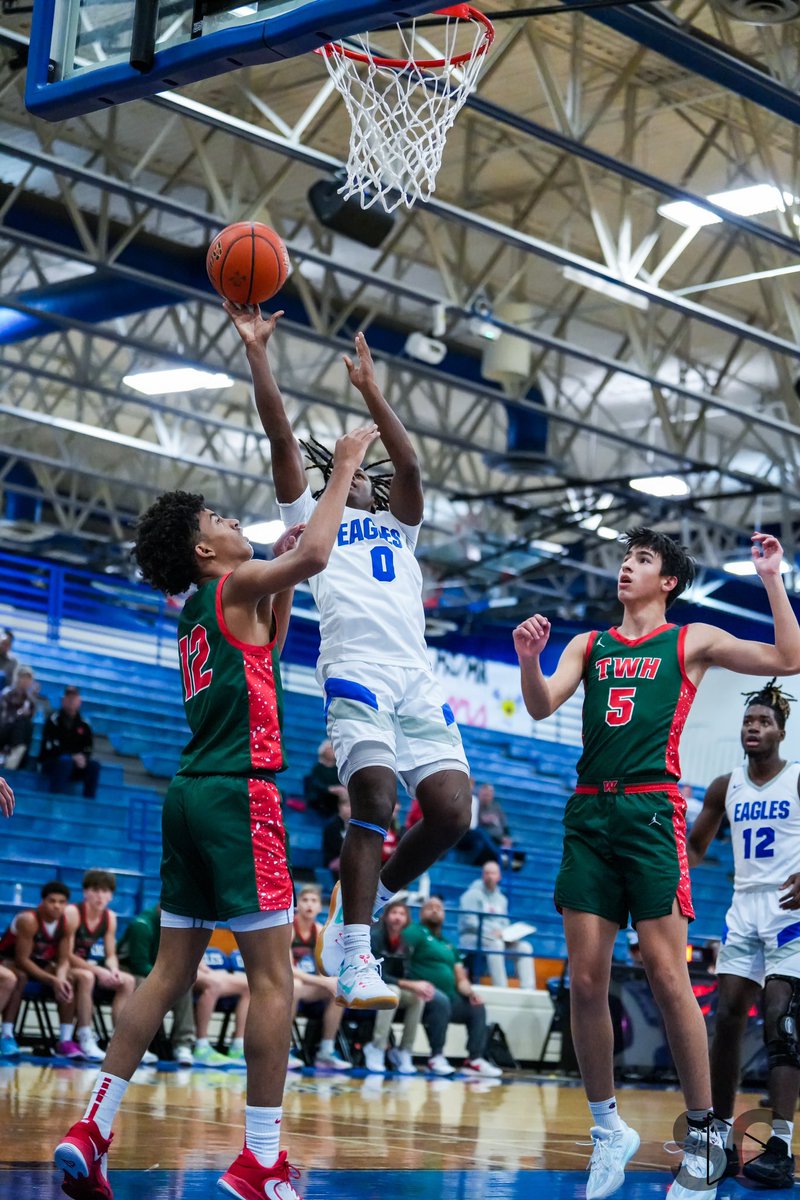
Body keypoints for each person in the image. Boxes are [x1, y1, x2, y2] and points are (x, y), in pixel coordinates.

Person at [52, 421, 379, 1200]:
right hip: (241, 792)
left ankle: (92, 1127)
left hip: (191, 795)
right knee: (276, 979)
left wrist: (290, 567)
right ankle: (260, 1159)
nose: (234, 523)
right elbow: (315, 554)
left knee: (168, 972)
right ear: (206, 551)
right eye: (220, 522)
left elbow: (275, 629)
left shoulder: (203, 608)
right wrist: (346, 473)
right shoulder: (231, 586)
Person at [513, 527, 800, 1200]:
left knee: (666, 970)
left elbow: (789, 655)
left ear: (667, 580)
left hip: (650, 809)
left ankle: (705, 1133)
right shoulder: (589, 644)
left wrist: (770, 578)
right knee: (584, 980)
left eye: (640, 560)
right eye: (624, 558)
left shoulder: (690, 639)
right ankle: (608, 1128)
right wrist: (529, 658)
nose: (625, 567)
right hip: (588, 811)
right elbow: (538, 702)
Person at [227, 302, 472, 1012]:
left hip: (415, 678)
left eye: (362, 471)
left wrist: (370, 391)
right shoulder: (312, 519)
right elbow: (279, 436)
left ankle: (363, 898)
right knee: (374, 796)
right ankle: (356, 950)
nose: (357, 476)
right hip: (355, 668)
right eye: (345, 471)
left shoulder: (401, 524)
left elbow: (412, 462)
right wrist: (258, 355)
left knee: (453, 813)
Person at [689, 680, 800, 1189]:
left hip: (788, 910)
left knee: (781, 1015)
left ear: (781, 731)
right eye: (748, 722)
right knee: (727, 1015)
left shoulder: (797, 779)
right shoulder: (724, 785)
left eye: (763, 723)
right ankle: (717, 1137)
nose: (753, 728)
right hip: (742, 910)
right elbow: (693, 848)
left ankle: (780, 1144)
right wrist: (666, 889)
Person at [0, 880, 103, 1060]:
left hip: (42, 963)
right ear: (42, 901)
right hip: (10, 960)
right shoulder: (29, 919)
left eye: (61, 902)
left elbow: (63, 960)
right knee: (21, 977)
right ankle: (7, 1034)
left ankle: (64, 1040)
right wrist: (52, 980)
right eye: (52, 901)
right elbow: (22, 959)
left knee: (68, 981)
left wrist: (60, 979)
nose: (56, 906)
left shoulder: (67, 923)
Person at [402, 896, 502, 1078]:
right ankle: (436, 1057)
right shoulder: (415, 932)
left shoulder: (449, 945)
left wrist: (471, 992)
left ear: (444, 915)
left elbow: (460, 978)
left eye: (439, 907)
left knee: (476, 1007)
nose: (434, 909)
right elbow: (402, 960)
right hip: (423, 994)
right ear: (421, 912)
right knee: (442, 1001)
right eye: (429, 907)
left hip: (449, 996)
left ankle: (474, 1060)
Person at [64, 870, 137, 1061]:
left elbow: (111, 955)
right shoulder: (73, 913)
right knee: (87, 977)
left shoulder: (109, 917)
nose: (100, 896)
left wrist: (112, 969)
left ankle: (120, 1041)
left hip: (85, 965)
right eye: (95, 890)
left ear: (111, 895)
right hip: (62, 964)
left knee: (126, 980)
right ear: (85, 892)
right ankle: (85, 1036)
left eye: (105, 891)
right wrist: (97, 969)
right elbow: (66, 954)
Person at [117, 903, 194, 1067]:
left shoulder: (178, 928)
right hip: (127, 970)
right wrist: (169, 978)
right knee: (143, 984)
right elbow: (138, 964)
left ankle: (183, 1044)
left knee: (183, 986)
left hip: (153, 971)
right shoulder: (142, 925)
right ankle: (137, 1044)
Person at [363, 900, 428, 1075]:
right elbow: (375, 972)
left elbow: (405, 975)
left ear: (407, 919)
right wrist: (408, 984)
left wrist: (419, 986)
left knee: (417, 998)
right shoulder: (374, 937)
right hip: (369, 986)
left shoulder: (404, 943)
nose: (398, 917)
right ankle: (377, 1047)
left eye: (402, 914)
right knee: (393, 991)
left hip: (393, 988)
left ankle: (405, 1050)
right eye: (394, 913)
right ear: (386, 916)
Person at [290, 885, 350, 1071]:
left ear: (319, 908)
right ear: (297, 904)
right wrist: (322, 981)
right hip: (288, 983)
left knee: (338, 989)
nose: (309, 904)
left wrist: (328, 981)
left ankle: (326, 1050)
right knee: (294, 986)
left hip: (307, 986)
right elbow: (287, 969)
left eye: (314, 901)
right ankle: (283, 1049)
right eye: (305, 900)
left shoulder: (319, 931)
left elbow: (324, 969)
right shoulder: (289, 928)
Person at [458, 862, 535, 990]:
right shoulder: (471, 894)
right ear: (482, 875)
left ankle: (529, 989)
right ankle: (501, 988)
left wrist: (508, 934)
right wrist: (491, 932)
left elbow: (504, 923)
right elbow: (469, 921)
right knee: (496, 945)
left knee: (525, 948)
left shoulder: (502, 899)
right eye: (487, 873)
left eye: (493, 873)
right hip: (471, 936)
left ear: (499, 876)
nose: (490, 876)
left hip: (497, 937)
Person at [40, 686, 101, 799]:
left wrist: (83, 758)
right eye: (69, 698)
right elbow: (50, 748)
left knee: (94, 766)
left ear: (80, 702)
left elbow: (88, 748)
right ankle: (55, 800)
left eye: (74, 698)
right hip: (52, 762)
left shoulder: (85, 724)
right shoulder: (53, 720)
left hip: (74, 765)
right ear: (63, 700)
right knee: (65, 762)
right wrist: (72, 756)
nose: (71, 701)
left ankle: (88, 804)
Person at [0, 665, 39, 769]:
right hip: (4, 731)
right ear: (17, 678)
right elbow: (4, 718)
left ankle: (18, 751)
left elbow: (30, 718)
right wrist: (20, 714)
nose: (26, 681)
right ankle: (16, 751)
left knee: (27, 724)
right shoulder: (7, 694)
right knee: (21, 722)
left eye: (28, 679)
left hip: (19, 735)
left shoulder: (30, 700)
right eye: (23, 677)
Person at [303, 739, 348, 819]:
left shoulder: (338, 769)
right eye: (330, 749)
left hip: (336, 799)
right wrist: (329, 789)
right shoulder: (318, 768)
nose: (332, 751)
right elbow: (315, 784)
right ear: (324, 751)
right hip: (321, 798)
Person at [321, 793, 350, 884]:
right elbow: (338, 848)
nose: (351, 809)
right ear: (340, 806)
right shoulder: (332, 826)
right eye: (348, 806)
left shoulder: (356, 827)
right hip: (334, 861)